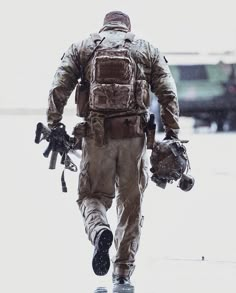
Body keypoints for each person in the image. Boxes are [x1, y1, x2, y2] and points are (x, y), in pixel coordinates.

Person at [47, 11, 180, 286]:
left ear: (104, 25)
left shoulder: (84, 47)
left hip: (96, 139)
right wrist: (173, 134)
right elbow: (168, 92)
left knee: (91, 196)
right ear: (127, 27)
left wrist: (54, 122)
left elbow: (59, 85)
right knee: (131, 205)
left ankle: (99, 230)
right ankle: (122, 271)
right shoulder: (146, 49)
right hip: (134, 140)